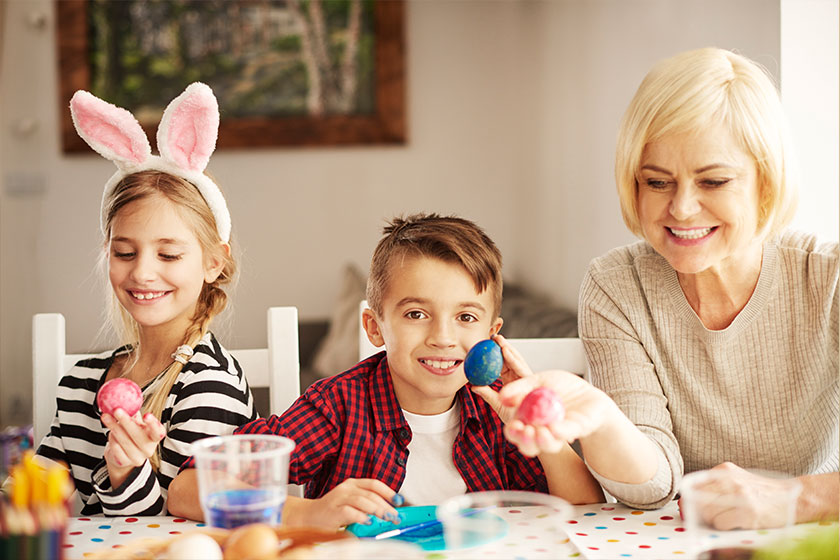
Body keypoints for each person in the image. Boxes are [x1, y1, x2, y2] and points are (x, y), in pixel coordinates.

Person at [500, 47, 838, 529]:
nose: (681, 208)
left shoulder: (828, 279)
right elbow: (651, 488)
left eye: (714, 181)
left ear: (766, 184)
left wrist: (792, 499)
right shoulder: (617, 285)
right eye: (657, 182)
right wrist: (604, 416)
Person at [168, 213, 604, 528]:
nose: (443, 337)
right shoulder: (338, 405)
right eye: (416, 314)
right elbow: (187, 488)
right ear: (375, 328)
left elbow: (586, 508)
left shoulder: (496, 412)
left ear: (493, 334)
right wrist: (310, 512)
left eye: (466, 318)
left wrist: (536, 423)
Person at [34, 83, 257, 516]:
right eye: (125, 252)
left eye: (169, 253)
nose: (142, 272)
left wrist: (125, 470)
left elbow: (174, 527)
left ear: (213, 263)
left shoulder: (211, 386)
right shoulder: (81, 384)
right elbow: (38, 502)